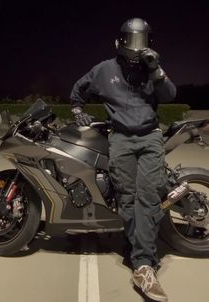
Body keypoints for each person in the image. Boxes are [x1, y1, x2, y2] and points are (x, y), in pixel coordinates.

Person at [70, 17, 176, 302]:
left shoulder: (150, 68)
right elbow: (79, 88)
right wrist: (77, 108)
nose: (135, 47)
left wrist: (156, 69)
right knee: (127, 198)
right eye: (131, 40)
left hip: (150, 137)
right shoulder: (104, 70)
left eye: (140, 41)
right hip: (120, 139)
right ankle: (137, 248)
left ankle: (143, 264)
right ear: (120, 41)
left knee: (150, 195)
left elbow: (169, 94)